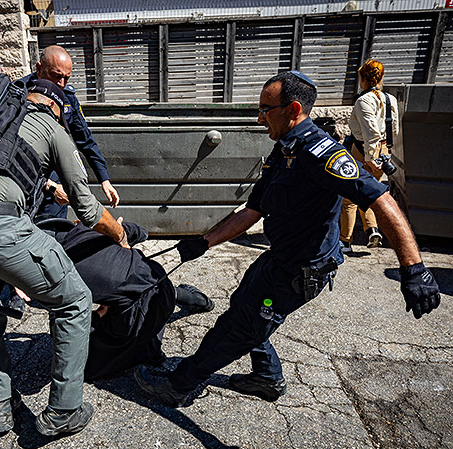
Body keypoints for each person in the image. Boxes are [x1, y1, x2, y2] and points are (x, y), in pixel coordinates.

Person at [134, 71, 441, 407]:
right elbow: (252, 211)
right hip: (280, 259)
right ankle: (266, 376)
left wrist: (413, 268)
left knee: (239, 327)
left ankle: (180, 384)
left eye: (266, 109)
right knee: (247, 303)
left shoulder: (322, 155)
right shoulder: (284, 150)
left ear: (293, 108)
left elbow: (381, 199)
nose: (259, 117)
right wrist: (203, 242)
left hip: (300, 271)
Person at [0, 78, 129, 436]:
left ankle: (0, 409)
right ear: (58, 108)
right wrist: (119, 234)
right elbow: (86, 207)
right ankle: (65, 409)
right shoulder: (51, 126)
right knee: (75, 301)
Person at [37, 219, 215, 381]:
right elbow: (140, 231)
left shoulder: (52, 277)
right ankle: (195, 299)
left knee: (83, 368)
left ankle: (149, 351)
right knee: (143, 286)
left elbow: (68, 321)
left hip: (149, 304)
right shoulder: (85, 228)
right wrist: (119, 235)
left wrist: (99, 313)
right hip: (155, 281)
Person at [21, 45, 120, 219]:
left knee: (56, 233)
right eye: (56, 76)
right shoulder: (17, 95)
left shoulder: (67, 98)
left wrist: (104, 179)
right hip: (24, 186)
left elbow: (86, 141)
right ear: (39, 68)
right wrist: (48, 184)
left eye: (66, 78)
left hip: (56, 190)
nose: (61, 84)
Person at [339, 59, 399, 252]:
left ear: (362, 78)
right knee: (371, 192)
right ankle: (372, 229)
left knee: (349, 197)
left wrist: (371, 158)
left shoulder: (363, 101)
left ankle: (345, 241)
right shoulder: (391, 99)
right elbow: (394, 129)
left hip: (364, 151)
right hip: (383, 151)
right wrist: (384, 151)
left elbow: (370, 132)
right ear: (381, 77)